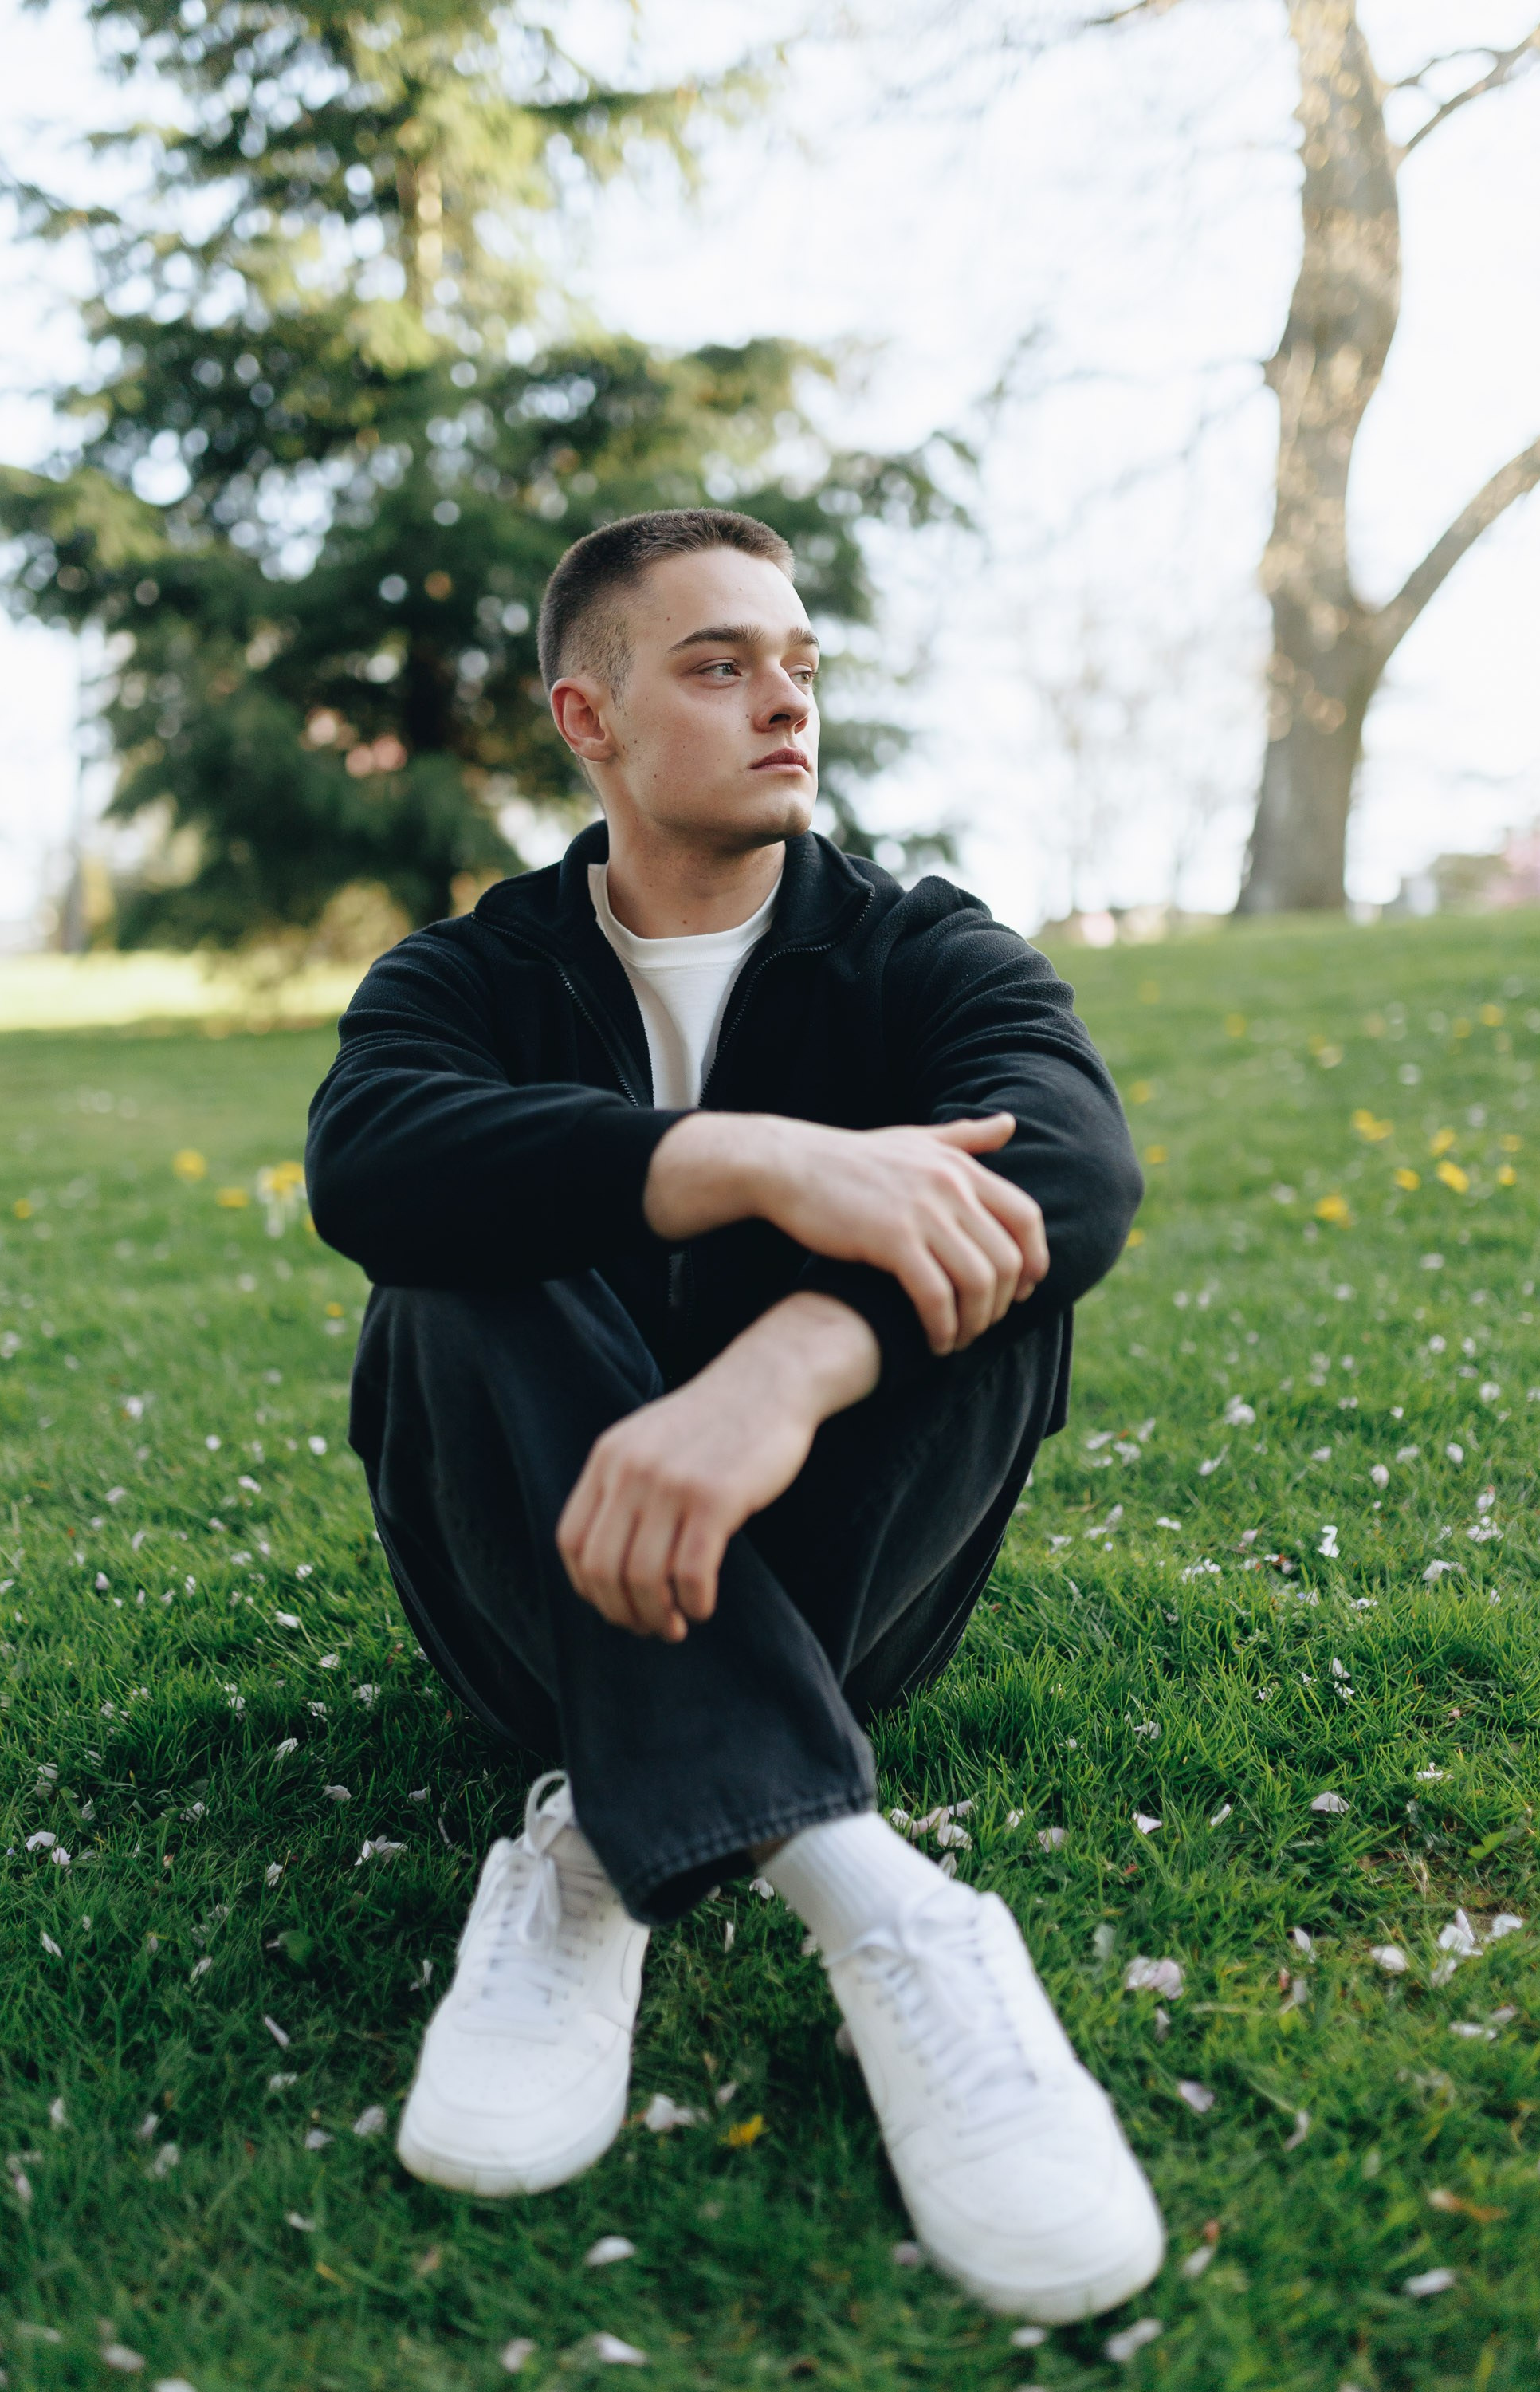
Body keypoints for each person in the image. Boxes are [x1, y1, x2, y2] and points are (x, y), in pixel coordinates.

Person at [305, 507, 1163, 2323]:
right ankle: (856, 1890)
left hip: (842, 1586)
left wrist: (788, 1368)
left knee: (978, 1238)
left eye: (799, 664)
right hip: (532, 1593)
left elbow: (1077, 1164)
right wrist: (743, 1157)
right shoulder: (467, 974)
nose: (784, 699)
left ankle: (610, 1827)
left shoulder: (921, 948)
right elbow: (367, 1160)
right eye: (717, 663)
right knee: (459, 1241)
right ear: (586, 717)